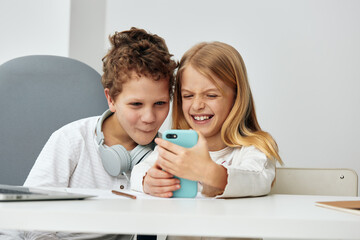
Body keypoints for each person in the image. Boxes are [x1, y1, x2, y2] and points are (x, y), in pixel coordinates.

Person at [0, 27, 177, 240]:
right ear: (111, 99)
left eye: (160, 103)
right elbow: (32, 220)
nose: (149, 117)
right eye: (136, 104)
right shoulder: (72, 140)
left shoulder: (164, 156)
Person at [130, 41, 283, 200]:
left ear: (237, 98)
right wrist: (147, 181)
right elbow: (138, 172)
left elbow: (258, 179)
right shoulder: (177, 148)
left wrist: (209, 172)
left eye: (211, 95)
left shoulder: (254, 148)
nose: (197, 106)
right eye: (188, 96)